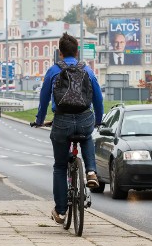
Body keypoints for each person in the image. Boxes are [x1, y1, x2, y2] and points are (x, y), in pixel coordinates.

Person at [34, 33, 104, 225]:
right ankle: (91, 171)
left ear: (60, 52)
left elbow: (44, 99)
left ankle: (61, 211)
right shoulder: (87, 71)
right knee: (87, 136)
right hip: (84, 118)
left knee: (60, 166)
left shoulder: (53, 71)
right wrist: (98, 120)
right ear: (77, 51)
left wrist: (39, 120)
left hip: (62, 121)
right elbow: (98, 98)